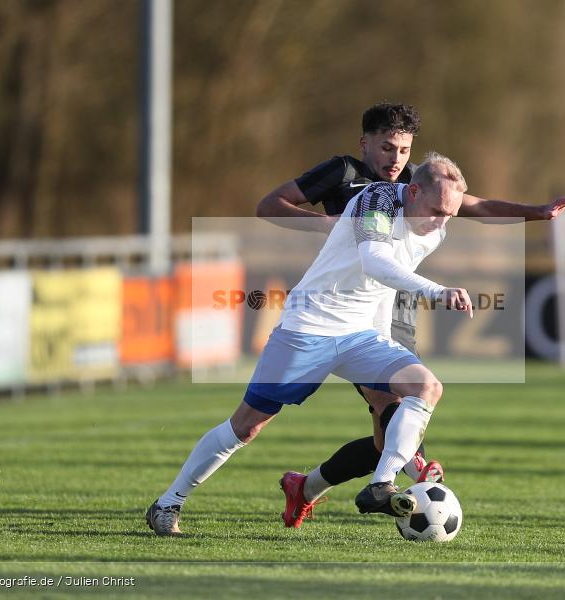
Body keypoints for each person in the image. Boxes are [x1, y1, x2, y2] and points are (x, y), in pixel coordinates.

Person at [256, 102, 565, 528]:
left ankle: (306, 487)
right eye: (387, 148)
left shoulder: (419, 184)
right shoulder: (342, 174)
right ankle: (412, 472)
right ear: (366, 144)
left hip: (395, 310)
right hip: (343, 309)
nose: (395, 159)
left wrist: (538, 212)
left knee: (385, 438)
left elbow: (478, 206)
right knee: (394, 405)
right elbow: (270, 205)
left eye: (404, 150)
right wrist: (332, 225)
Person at [146, 152, 473, 535]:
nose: (442, 221)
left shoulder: (435, 228)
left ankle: (381, 485)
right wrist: (436, 290)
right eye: (437, 210)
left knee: (425, 388)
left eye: (450, 214)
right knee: (245, 427)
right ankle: (169, 502)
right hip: (308, 327)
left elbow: (385, 285)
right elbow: (374, 262)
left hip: (360, 336)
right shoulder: (377, 200)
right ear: (413, 191)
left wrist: (382, 341)